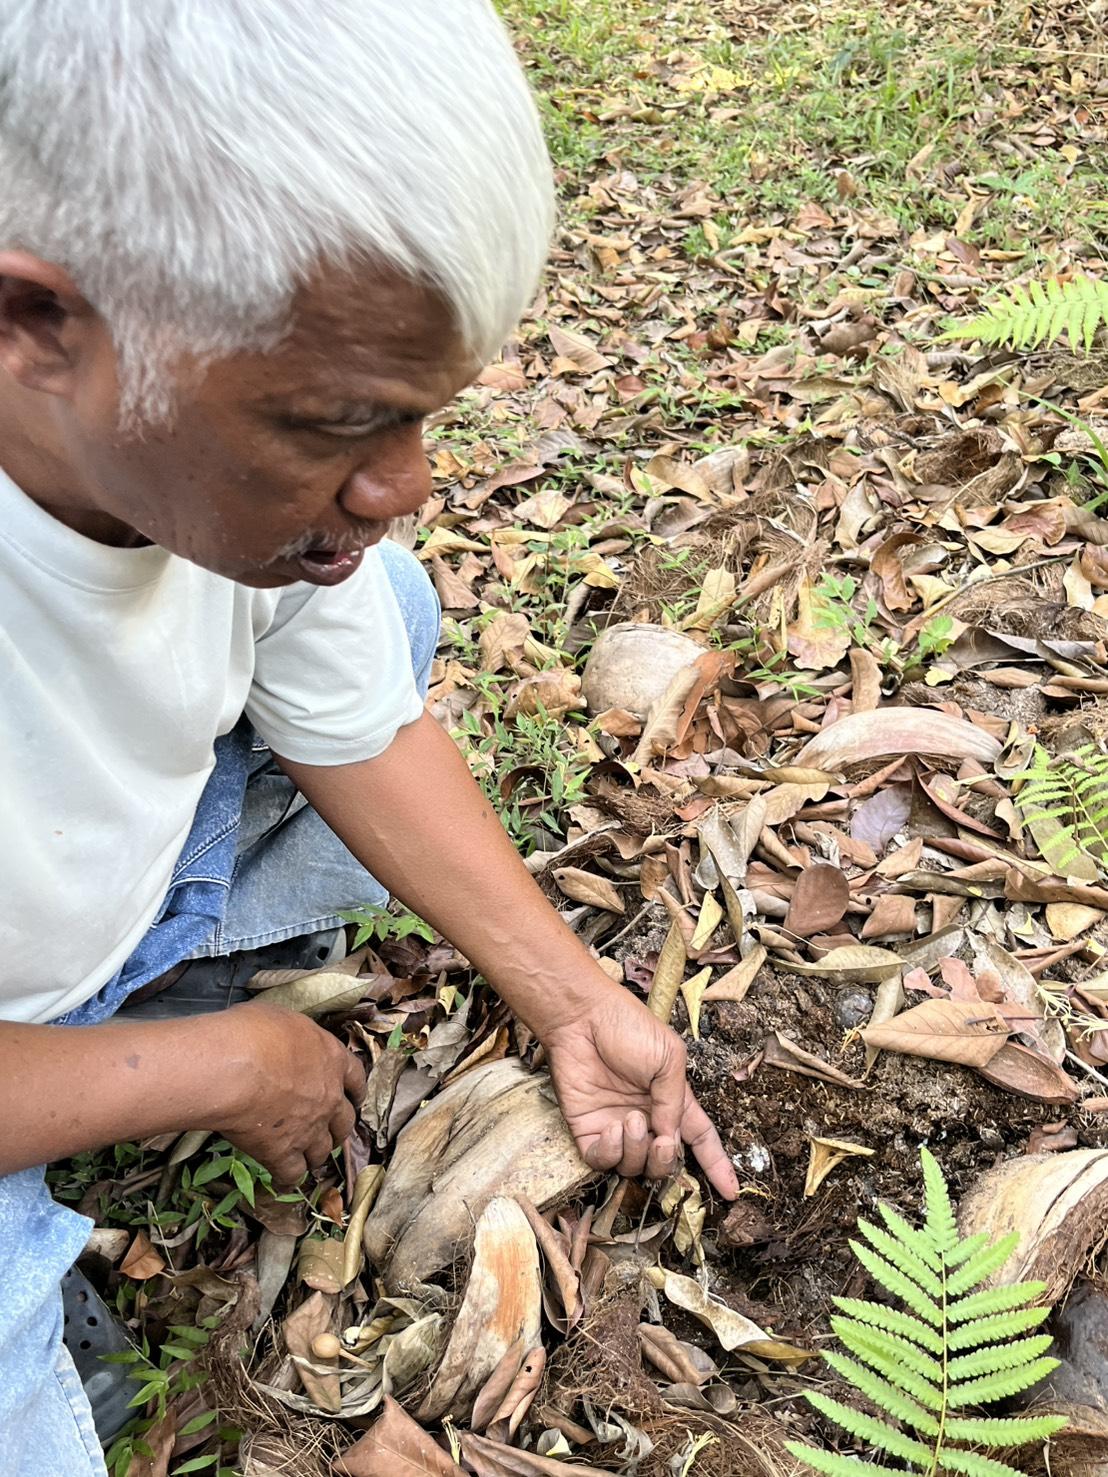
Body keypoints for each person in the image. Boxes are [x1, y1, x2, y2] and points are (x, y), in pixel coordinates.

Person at [0, 2, 739, 1471]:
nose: (406, 482)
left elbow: (364, 728)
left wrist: (573, 999)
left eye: (423, 417)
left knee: (377, 600)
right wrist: (226, 1066)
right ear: (36, 324)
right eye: (337, 420)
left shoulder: (222, 498)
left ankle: (104, 1032)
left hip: (75, 888)